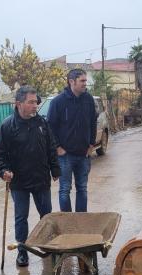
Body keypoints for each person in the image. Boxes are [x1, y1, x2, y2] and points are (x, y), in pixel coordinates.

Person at [0, 86, 60, 267]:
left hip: (40, 178)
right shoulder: (8, 126)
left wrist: (55, 169)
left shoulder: (41, 123)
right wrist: (3, 170)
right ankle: (22, 251)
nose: (35, 105)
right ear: (18, 103)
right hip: (19, 182)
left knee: (46, 216)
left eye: (36, 102)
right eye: (30, 102)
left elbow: (50, 147)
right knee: (21, 218)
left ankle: (48, 246)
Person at [47, 68, 97, 213]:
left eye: (85, 80)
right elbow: (50, 126)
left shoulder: (88, 99)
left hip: (83, 154)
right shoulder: (58, 102)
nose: (85, 84)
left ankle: (81, 221)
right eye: (82, 81)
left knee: (82, 188)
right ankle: (68, 223)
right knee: (64, 190)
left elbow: (93, 121)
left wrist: (91, 143)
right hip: (65, 156)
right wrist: (57, 147)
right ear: (71, 82)